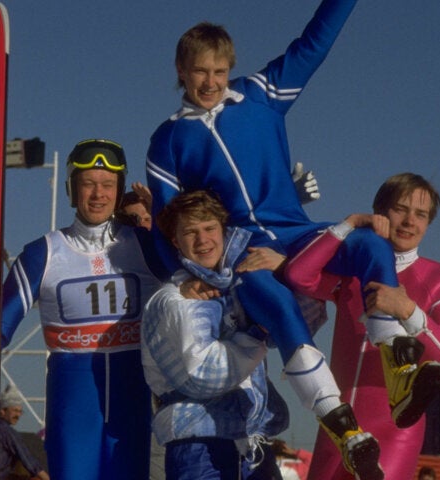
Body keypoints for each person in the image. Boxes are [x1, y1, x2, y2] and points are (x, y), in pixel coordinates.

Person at [146, 1, 394, 476]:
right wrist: (186, 277)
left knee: (368, 246)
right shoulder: (168, 139)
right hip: (242, 256)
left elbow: (313, 45)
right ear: (181, 70)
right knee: (273, 305)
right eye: (200, 72)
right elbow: (166, 223)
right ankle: (336, 418)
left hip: (297, 236)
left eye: (219, 71)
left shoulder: (260, 94)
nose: (211, 82)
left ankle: (395, 350)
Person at [0, 139, 164, 480]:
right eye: (88, 184)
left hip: (133, 399)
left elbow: (197, 276)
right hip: (73, 402)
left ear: (119, 190)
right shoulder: (43, 253)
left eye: (108, 185)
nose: (98, 194)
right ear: (71, 189)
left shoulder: (145, 246)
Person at [287, 173, 440, 480]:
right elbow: (298, 276)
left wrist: (409, 311)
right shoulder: (352, 271)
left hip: (396, 430)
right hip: (340, 426)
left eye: (421, 215)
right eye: (401, 209)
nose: (411, 221)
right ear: (380, 211)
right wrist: (349, 225)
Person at [141, 190, 290, 480]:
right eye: (190, 232)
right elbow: (204, 375)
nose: (203, 240)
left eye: (210, 228)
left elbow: (302, 321)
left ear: (224, 231)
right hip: (199, 444)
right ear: (175, 241)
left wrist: (283, 268)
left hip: (251, 440)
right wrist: (259, 331)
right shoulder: (173, 301)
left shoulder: (238, 286)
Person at [0, 386, 49, 480]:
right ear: (3, 411)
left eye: (20, 412)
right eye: (15, 411)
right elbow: (26, 458)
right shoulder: (6, 431)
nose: (18, 415)